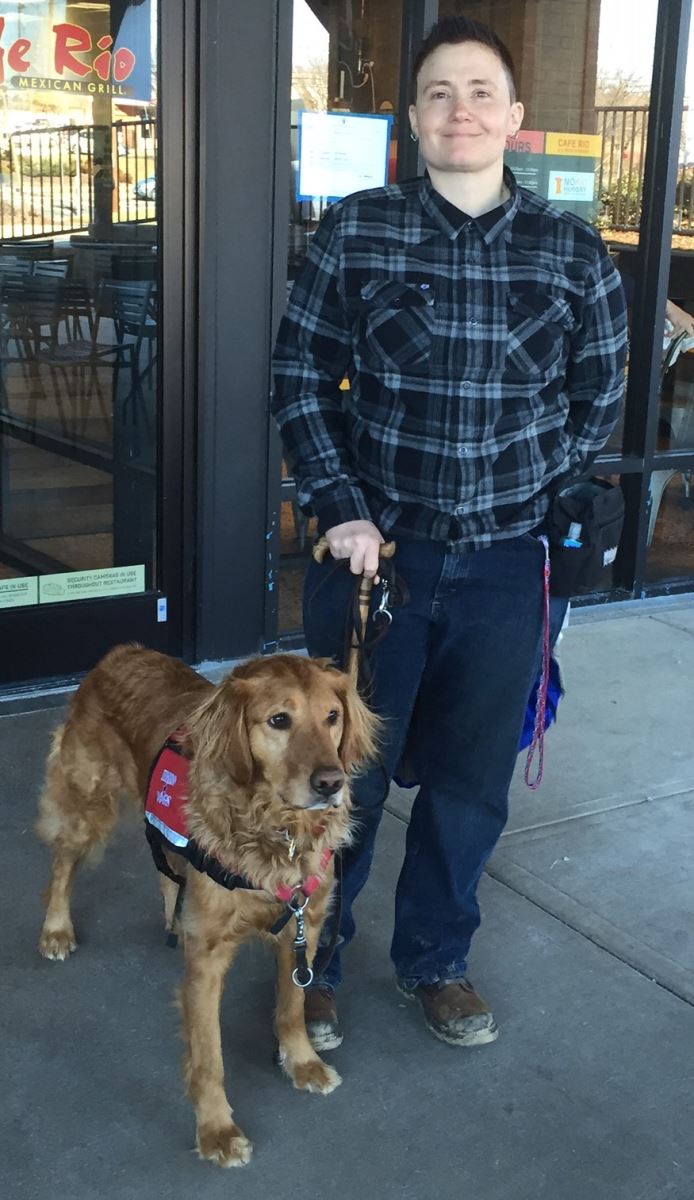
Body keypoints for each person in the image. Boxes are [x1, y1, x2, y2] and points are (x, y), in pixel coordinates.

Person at [271, 15, 627, 1051]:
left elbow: (596, 394)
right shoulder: (358, 227)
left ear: (513, 119)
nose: (458, 110)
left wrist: (534, 497)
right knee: (342, 782)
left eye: (478, 92)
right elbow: (299, 375)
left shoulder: (569, 251)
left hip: (510, 568)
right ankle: (313, 967)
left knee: (469, 785)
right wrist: (340, 504)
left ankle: (436, 961)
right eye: (436, 92)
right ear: (413, 119)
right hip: (376, 563)